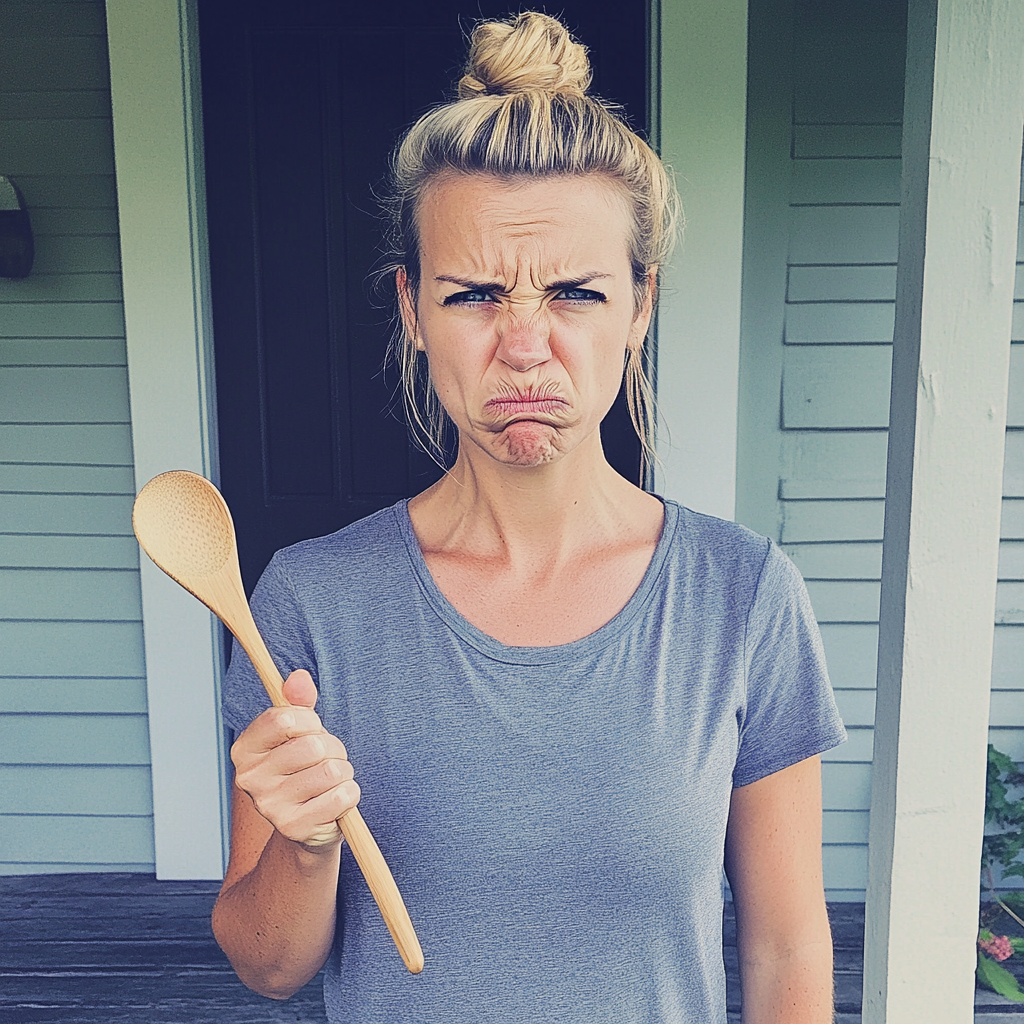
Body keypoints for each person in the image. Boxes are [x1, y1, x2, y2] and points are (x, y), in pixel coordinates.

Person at [211, 12, 846, 1023]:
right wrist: (306, 840)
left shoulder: (742, 594)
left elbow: (783, 946)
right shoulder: (308, 602)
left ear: (639, 306)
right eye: (472, 295)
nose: (522, 343)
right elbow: (267, 966)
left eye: (574, 293)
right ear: (411, 310)